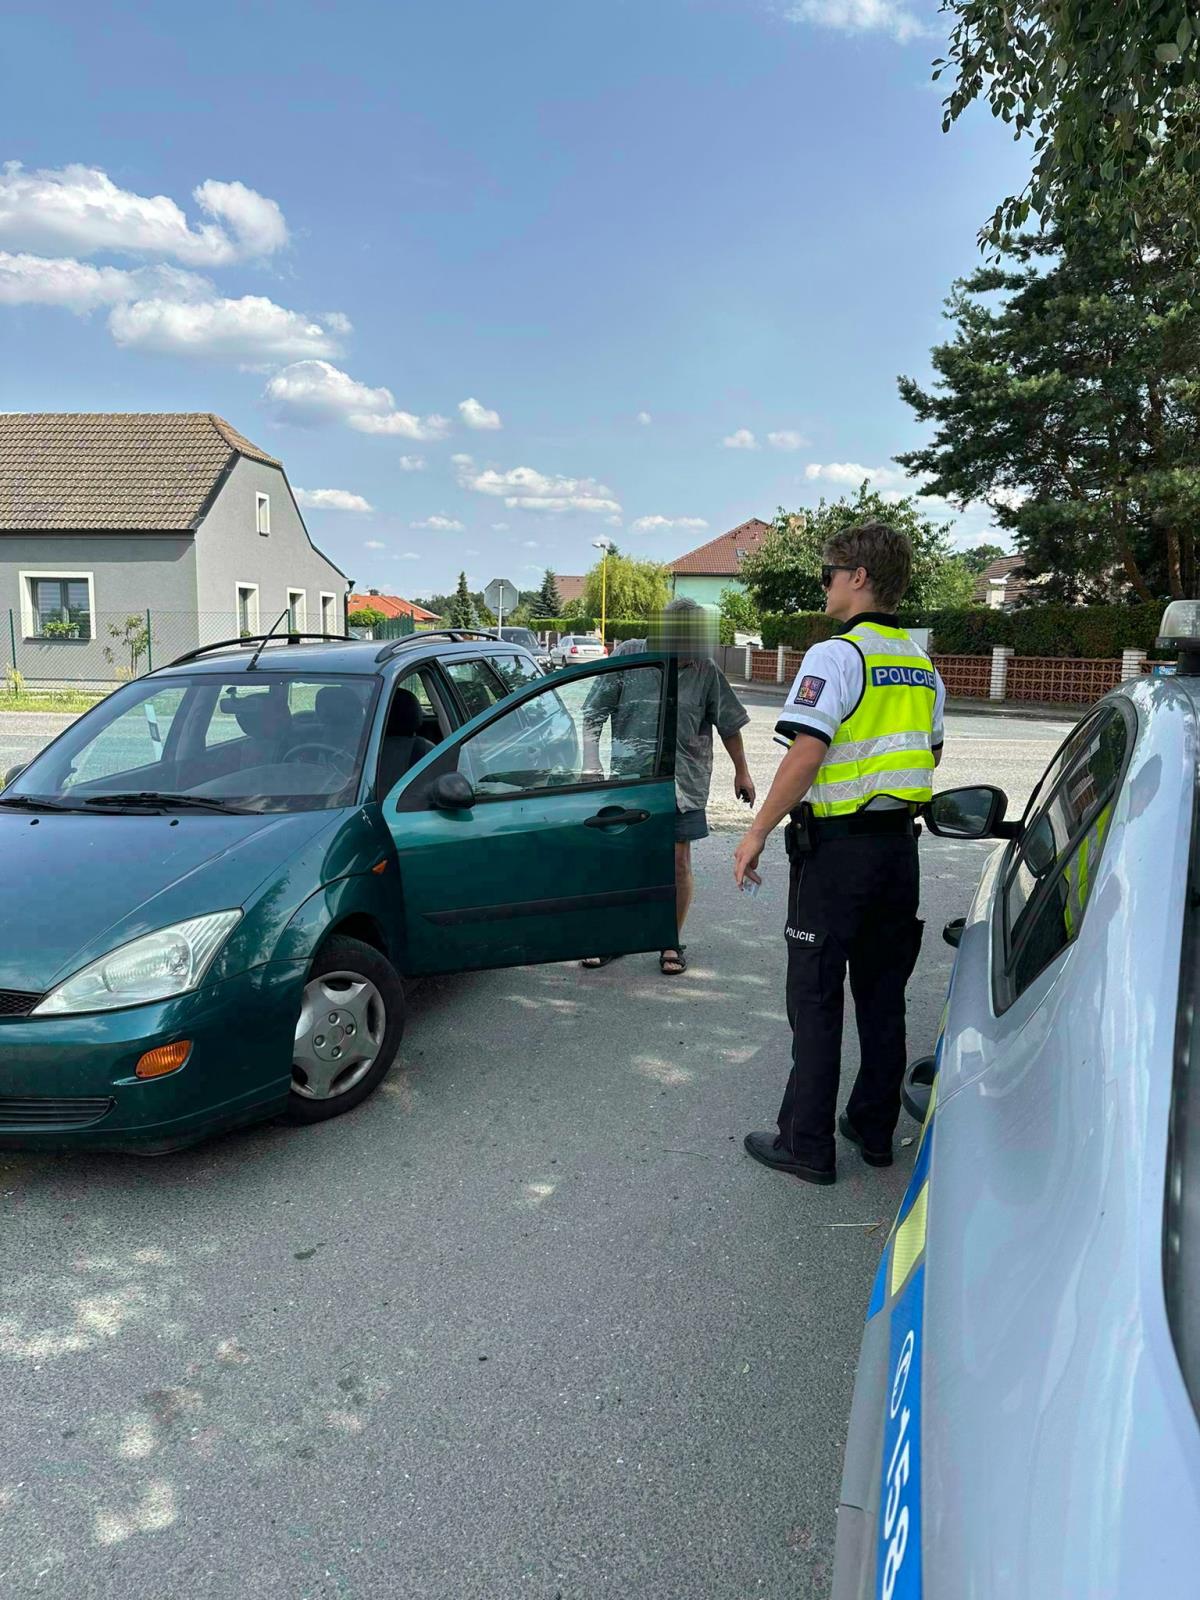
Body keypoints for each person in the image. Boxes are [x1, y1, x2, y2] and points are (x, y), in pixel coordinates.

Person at [732, 520, 945, 1184]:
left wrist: (757, 830)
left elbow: (807, 750)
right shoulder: (919, 662)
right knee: (884, 996)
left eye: (827, 573)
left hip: (836, 856)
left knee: (817, 996)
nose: (822, 585)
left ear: (858, 577)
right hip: (897, 856)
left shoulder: (836, 655)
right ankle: (874, 1130)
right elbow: (930, 751)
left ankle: (807, 1144)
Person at [582, 598, 755, 976]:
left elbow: (729, 724)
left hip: (684, 782)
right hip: (632, 781)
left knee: (678, 862)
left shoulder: (705, 668)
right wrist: (590, 760)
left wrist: (742, 771)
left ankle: (668, 940)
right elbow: (594, 711)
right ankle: (612, 937)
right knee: (621, 860)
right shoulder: (631, 655)